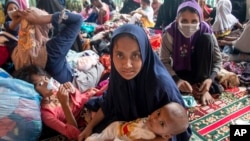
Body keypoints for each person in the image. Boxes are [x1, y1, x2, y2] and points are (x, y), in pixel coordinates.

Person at [78, 24, 192, 141]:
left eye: (136, 55)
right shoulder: (118, 75)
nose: (127, 65)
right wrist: (89, 128)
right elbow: (109, 102)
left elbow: (176, 131)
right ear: (111, 54)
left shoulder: (162, 87)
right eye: (120, 55)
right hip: (130, 127)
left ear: (145, 53)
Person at [15, 7, 104, 93]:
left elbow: (8, 41)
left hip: (56, 82)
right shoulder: (51, 49)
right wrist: (41, 18)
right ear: (41, 24)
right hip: (71, 85)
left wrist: (14, 23)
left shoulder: (19, 53)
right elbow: (78, 19)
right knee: (98, 64)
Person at [160, 0, 222, 106]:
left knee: (206, 39)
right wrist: (177, 81)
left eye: (194, 21)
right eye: (184, 21)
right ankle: (193, 87)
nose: (189, 25)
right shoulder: (170, 33)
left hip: (202, 71)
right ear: (176, 20)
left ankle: (202, 87)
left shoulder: (205, 29)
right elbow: (163, 61)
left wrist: (209, 80)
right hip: (180, 71)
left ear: (200, 21)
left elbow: (218, 60)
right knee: (164, 89)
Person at [85, 102, 189, 141]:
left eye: (162, 123)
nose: (155, 118)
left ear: (166, 135)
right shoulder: (151, 122)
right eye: (158, 113)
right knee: (96, 138)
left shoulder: (150, 136)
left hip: (120, 137)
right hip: (118, 128)